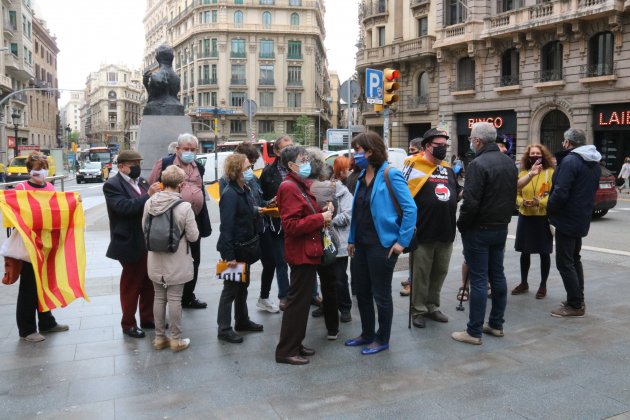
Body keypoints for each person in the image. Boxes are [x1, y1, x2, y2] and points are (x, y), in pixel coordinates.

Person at [345, 132, 417, 355]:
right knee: (362, 292)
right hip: (361, 245)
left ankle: (382, 338)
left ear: (370, 151)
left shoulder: (390, 174)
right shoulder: (359, 178)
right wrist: (351, 239)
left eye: (357, 151)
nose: (354, 155)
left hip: (382, 245)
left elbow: (410, 209)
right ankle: (367, 333)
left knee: (381, 294)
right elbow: (357, 211)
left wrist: (401, 242)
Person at [452, 122, 517, 345]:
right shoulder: (508, 162)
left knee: (479, 280)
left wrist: (461, 224)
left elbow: (471, 202)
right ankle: (496, 324)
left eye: (471, 138)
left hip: (479, 229)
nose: (470, 142)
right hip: (500, 227)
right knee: (497, 275)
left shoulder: (478, 164)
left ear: (478, 141)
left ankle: (474, 331)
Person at [275, 146, 333, 365]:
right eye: (303, 160)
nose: (307, 163)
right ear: (291, 165)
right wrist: (320, 218)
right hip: (300, 253)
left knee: (300, 303)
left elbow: (304, 214)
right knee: (297, 304)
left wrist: (322, 213)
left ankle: (296, 343)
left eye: (308, 159)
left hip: (307, 251)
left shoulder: (299, 185)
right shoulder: (289, 187)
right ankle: (286, 350)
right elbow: (290, 225)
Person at [405, 128, 461, 329]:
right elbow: (403, 198)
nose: (443, 149)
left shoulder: (447, 169)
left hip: (446, 231)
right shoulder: (413, 166)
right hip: (423, 231)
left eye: (445, 145)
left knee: (439, 272)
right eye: (439, 145)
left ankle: (432, 306)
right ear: (428, 146)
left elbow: (455, 193)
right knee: (420, 274)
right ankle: (418, 309)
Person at [148, 133, 212, 309]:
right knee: (174, 258)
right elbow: (152, 185)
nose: (190, 152)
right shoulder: (165, 163)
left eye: (193, 149)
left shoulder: (198, 166)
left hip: (195, 218)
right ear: (178, 149)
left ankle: (188, 297)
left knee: (195, 259)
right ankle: (171, 295)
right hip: (171, 220)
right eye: (186, 149)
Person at [104, 150, 161, 338]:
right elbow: (124, 208)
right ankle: (128, 323)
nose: (137, 166)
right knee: (131, 284)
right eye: (133, 164)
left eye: (138, 163)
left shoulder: (142, 182)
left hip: (147, 239)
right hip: (128, 241)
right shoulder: (112, 185)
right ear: (121, 166)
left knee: (148, 281)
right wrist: (148, 196)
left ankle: (147, 318)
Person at [13, 152, 69, 342]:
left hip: (48, 244)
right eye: (37, 169)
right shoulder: (21, 188)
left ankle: (47, 322)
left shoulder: (50, 186)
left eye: (43, 168)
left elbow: (58, 211)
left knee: (45, 284)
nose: (41, 172)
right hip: (30, 246)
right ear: (30, 171)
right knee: (28, 287)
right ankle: (27, 329)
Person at [143, 165, 199, 352]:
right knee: (175, 298)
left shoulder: (149, 202)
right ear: (181, 185)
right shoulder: (184, 207)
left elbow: (144, 227)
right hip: (176, 259)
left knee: (159, 297)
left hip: (154, 258)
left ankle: (159, 338)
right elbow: (193, 236)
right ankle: (176, 339)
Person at [547, 128, 601, 318]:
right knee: (574, 258)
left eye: (564, 141)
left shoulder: (570, 161)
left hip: (567, 218)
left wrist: (549, 209)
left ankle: (575, 304)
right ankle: (577, 298)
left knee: (565, 262)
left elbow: (561, 192)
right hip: (580, 216)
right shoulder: (593, 161)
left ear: (568, 142)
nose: (562, 144)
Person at [216, 154, 264, 343]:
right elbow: (226, 227)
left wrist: (256, 210)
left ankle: (242, 320)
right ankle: (224, 328)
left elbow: (243, 211)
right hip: (234, 250)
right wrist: (229, 258)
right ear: (237, 171)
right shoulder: (230, 193)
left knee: (243, 287)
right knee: (230, 290)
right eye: (246, 167)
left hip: (245, 248)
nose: (250, 169)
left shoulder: (243, 189)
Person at [511, 144, 555, 299]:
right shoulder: (523, 173)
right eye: (532, 153)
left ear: (543, 155)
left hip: (542, 217)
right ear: (528, 157)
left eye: (538, 153)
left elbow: (554, 194)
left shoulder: (550, 173)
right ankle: (524, 283)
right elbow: (515, 191)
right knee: (525, 251)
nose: (535, 156)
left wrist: (540, 203)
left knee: (544, 252)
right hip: (525, 216)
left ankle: (543, 285)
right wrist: (522, 202)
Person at [305, 148, 340, 338]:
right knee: (329, 284)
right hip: (326, 241)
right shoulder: (328, 187)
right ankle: (332, 328)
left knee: (303, 285)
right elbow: (334, 210)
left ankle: (298, 332)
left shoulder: (297, 188)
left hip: (306, 243)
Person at [259, 136, 293, 311]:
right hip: (276, 224)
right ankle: (283, 296)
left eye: (291, 147)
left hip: (297, 222)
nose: (290, 150)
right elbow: (261, 198)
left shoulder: (299, 169)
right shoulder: (268, 173)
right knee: (280, 261)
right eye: (286, 148)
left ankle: (309, 293)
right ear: (277, 152)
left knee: (300, 261)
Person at [331, 156, 354, 323]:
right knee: (328, 277)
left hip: (340, 242)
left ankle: (345, 307)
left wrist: (327, 220)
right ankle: (330, 305)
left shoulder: (344, 192)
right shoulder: (331, 188)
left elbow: (349, 214)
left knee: (339, 277)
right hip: (325, 242)